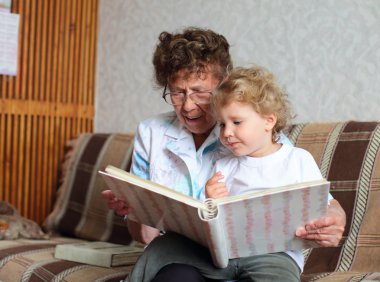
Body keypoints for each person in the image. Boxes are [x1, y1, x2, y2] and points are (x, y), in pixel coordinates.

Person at [101, 27, 346, 282]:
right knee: (174, 274)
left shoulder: (260, 139)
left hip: (260, 254)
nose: (187, 105)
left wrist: (334, 217)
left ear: (222, 86)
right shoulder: (151, 133)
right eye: (177, 92)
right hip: (194, 257)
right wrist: (137, 209)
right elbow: (146, 235)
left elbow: (320, 200)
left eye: (200, 92)